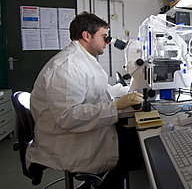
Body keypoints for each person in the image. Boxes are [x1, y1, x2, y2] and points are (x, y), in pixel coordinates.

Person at [27, 11, 144, 188]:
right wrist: (115, 106)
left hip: (78, 131)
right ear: (86, 35)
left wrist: (126, 92)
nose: (107, 42)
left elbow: (99, 91)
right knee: (138, 150)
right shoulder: (67, 66)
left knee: (134, 137)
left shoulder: (83, 59)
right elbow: (68, 116)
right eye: (104, 37)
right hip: (69, 140)